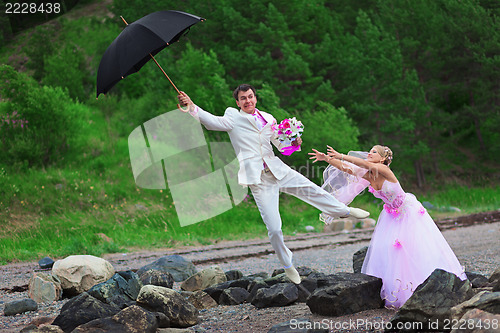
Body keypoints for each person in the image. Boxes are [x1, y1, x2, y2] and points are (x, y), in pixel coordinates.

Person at [177, 84, 370, 284]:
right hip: (258, 179)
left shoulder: (268, 118)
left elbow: (282, 146)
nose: (248, 101)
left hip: (277, 169)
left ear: (255, 98)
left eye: (250, 96)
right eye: (243, 98)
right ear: (238, 102)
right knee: (274, 227)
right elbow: (212, 122)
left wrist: (295, 141)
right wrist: (192, 106)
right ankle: (288, 265)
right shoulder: (233, 117)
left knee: (311, 189)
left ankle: (344, 211)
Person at [308, 145, 467, 308]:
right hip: (391, 215)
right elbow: (348, 169)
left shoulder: (384, 170)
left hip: (408, 212)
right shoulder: (370, 175)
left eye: (374, 152)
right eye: (370, 150)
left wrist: (341, 155)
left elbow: (364, 164)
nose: (369, 153)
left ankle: (430, 284)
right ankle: (398, 288)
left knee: (415, 247)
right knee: (392, 252)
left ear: (383, 159)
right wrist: (327, 159)